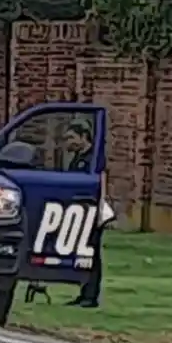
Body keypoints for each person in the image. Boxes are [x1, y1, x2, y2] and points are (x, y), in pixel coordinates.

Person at [63, 120, 101, 308]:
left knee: (92, 254)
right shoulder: (78, 158)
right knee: (83, 254)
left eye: (71, 137)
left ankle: (91, 296)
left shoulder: (94, 158)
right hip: (79, 212)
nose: (67, 142)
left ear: (84, 137)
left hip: (91, 211)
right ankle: (84, 293)